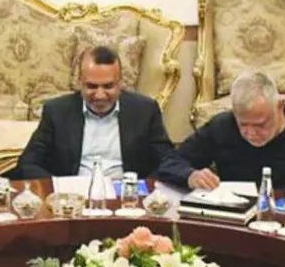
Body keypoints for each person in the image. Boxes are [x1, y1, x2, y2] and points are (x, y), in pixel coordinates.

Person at [155, 71, 285, 198]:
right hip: (235, 221)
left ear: (280, 106)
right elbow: (169, 163)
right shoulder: (221, 126)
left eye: (260, 124)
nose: (250, 133)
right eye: (243, 124)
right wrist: (191, 176)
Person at [15, 45, 173, 180]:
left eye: (108, 86)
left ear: (120, 83)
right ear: (79, 83)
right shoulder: (56, 111)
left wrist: (143, 189)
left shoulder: (145, 110)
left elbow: (168, 161)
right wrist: (58, 188)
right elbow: (28, 164)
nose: (100, 95)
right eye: (91, 86)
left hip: (126, 197)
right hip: (73, 198)